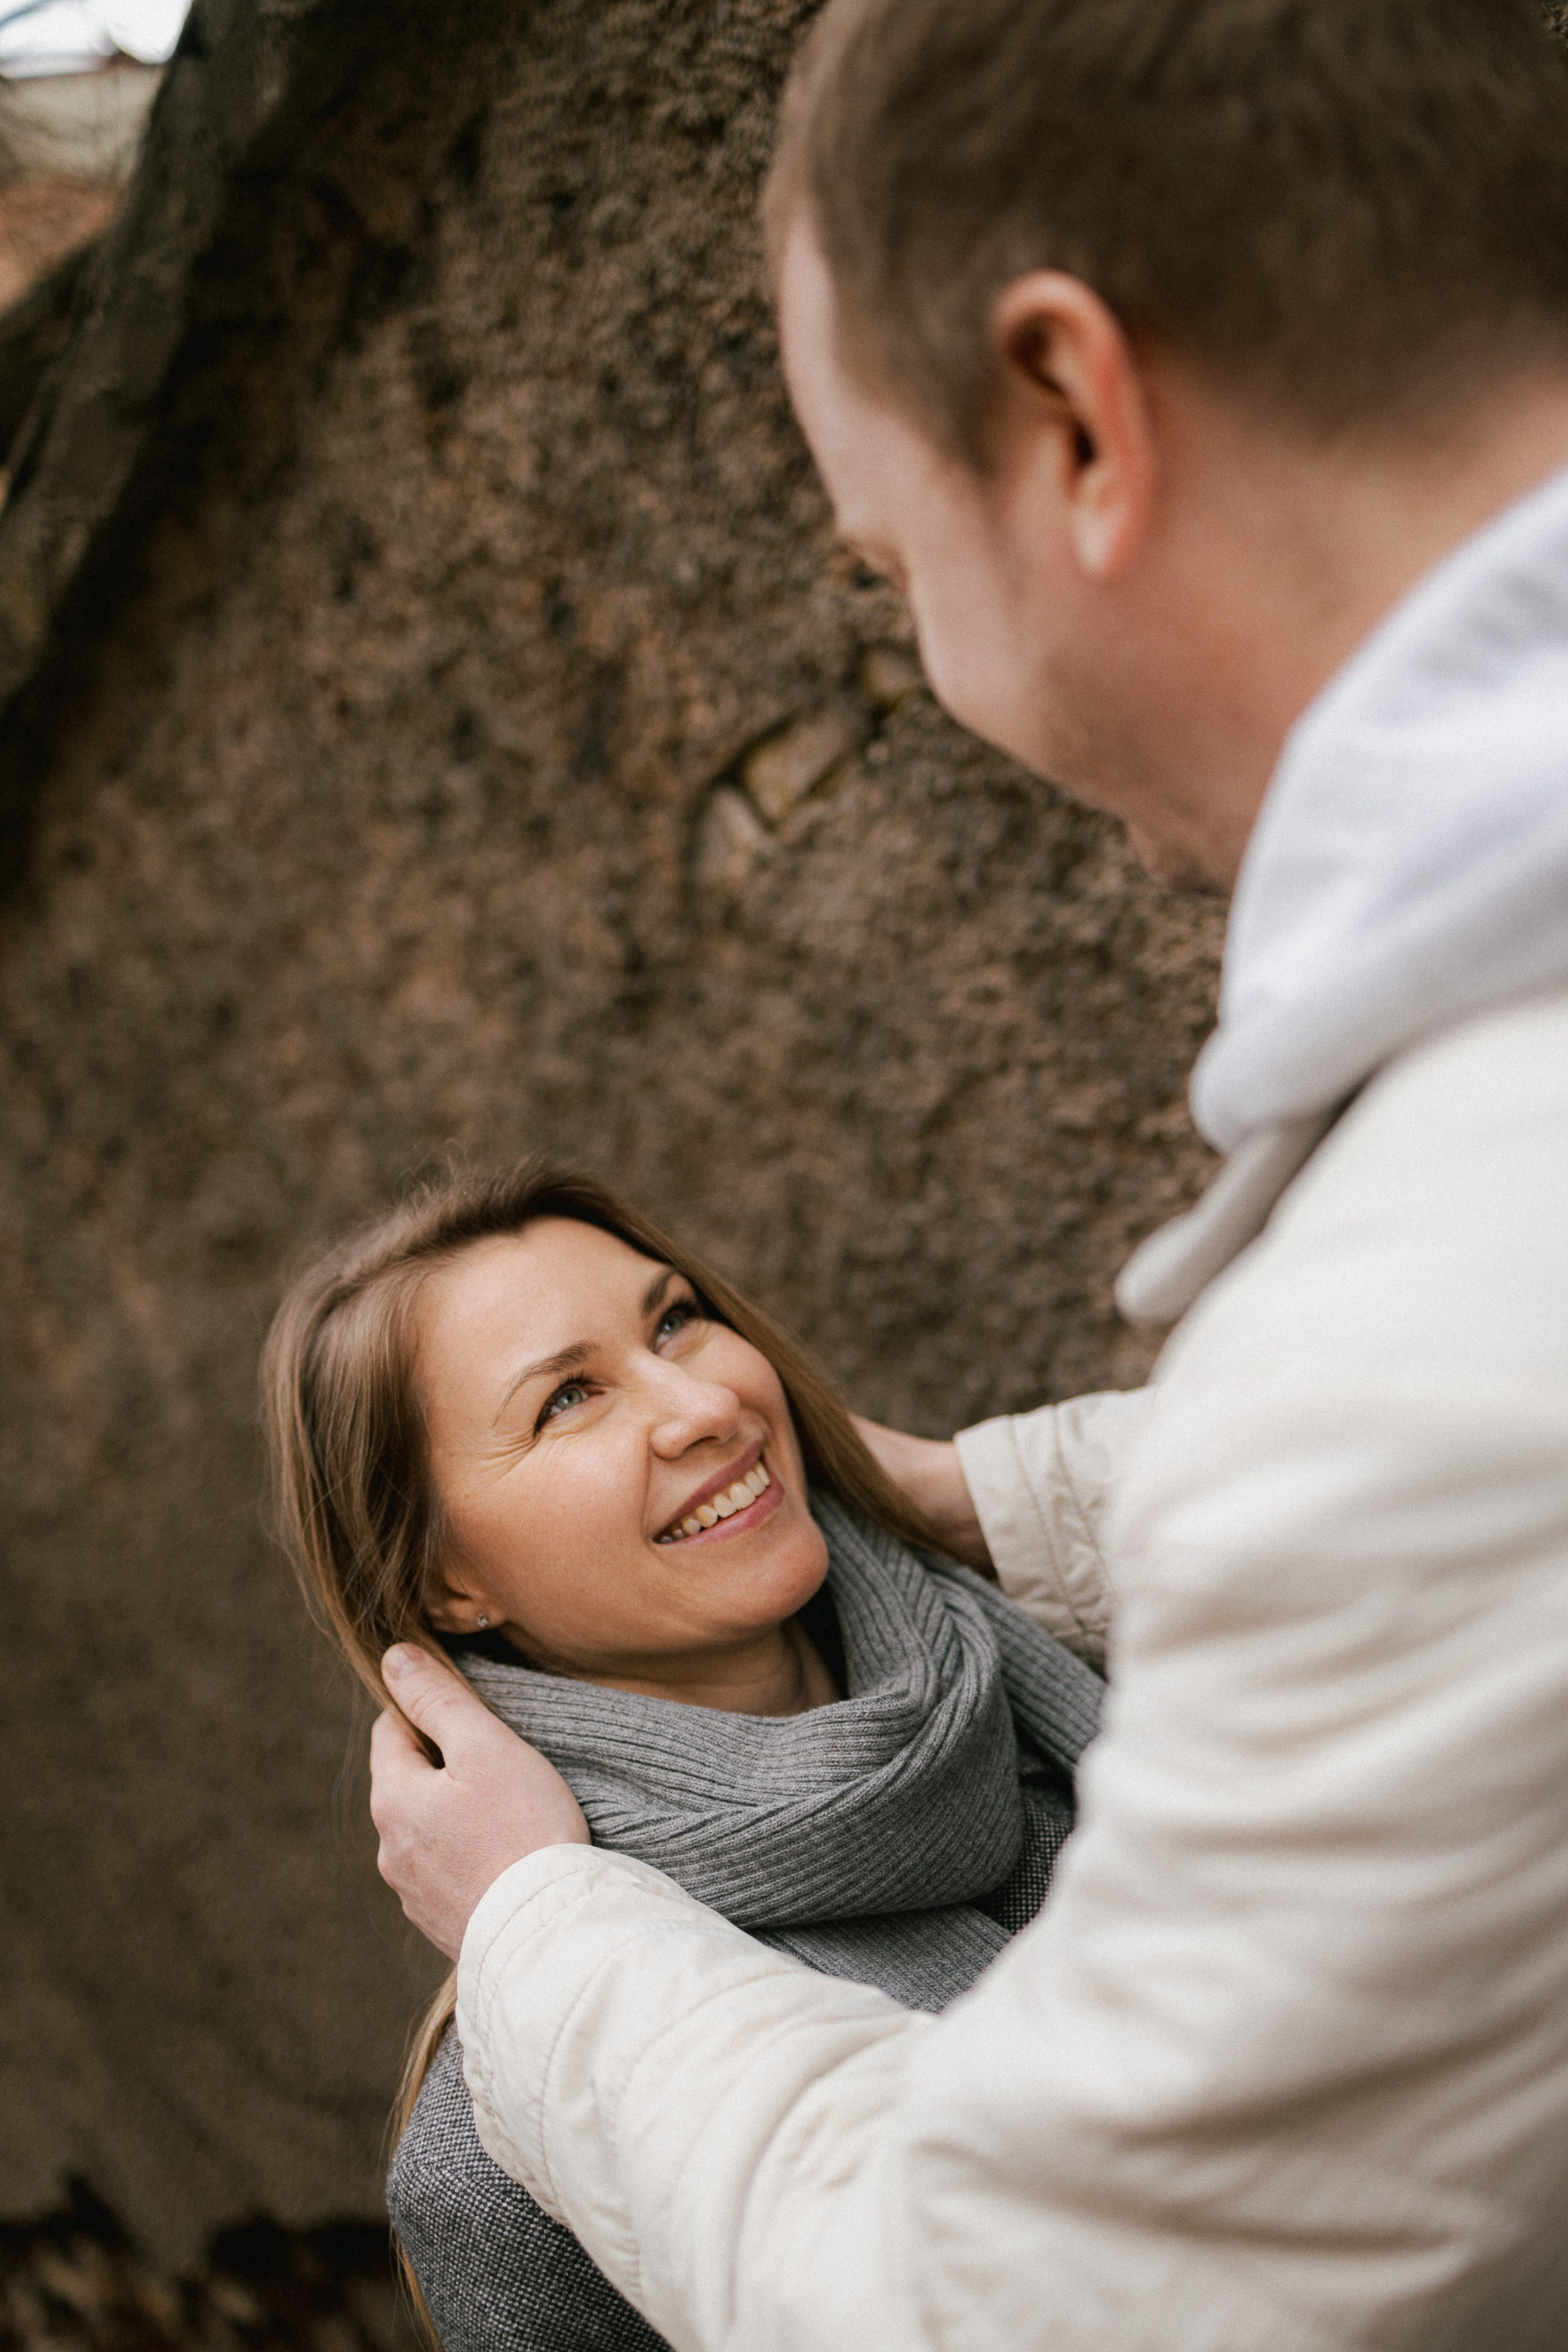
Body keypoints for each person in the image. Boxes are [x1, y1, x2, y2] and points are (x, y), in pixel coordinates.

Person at [366, 1, 1568, 2344]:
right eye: (561, 1399)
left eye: (890, 556)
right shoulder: (482, 2190)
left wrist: (536, 1932)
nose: (696, 1397)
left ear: (1076, 417)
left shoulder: (1413, 1353)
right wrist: (997, 1498)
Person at [262, 1162, 1106, 2352]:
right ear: (448, 1582)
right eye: (567, 1400)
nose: (704, 1404)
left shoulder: (1123, 1655)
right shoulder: (507, 2170)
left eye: (675, 1320)